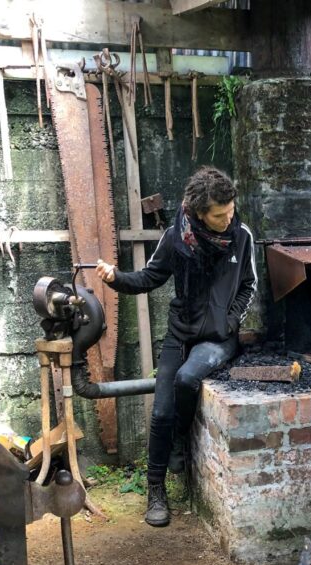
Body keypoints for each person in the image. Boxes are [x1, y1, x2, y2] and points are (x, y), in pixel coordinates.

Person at [96, 167, 257, 527]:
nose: (228, 219)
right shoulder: (177, 238)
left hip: (218, 339)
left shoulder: (242, 236)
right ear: (200, 213)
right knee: (160, 412)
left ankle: (180, 443)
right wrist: (115, 278)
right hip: (180, 332)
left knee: (187, 379)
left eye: (230, 211)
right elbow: (148, 277)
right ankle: (156, 491)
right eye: (219, 214)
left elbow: (249, 286)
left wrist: (229, 323)